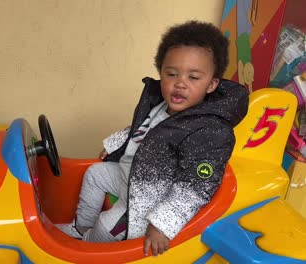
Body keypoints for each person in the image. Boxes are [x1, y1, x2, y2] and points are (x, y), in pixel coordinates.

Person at [57, 20, 249, 256]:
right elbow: (139, 129)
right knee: (95, 174)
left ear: (211, 85)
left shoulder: (210, 131)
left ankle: (85, 247)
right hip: (132, 176)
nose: (180, 83)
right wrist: (115, 145)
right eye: (172, 74)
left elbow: (196, 187)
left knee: (105, 228)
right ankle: (80, 228)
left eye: (194, 77)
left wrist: (162, 224)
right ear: (162, 74)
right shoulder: (160, 105)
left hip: (149, 199)